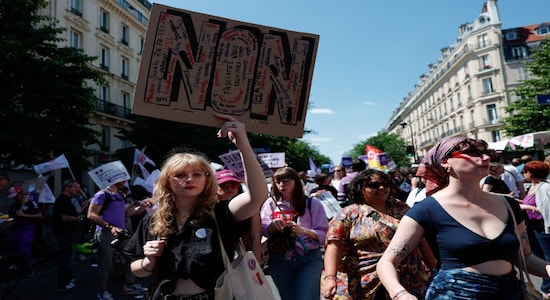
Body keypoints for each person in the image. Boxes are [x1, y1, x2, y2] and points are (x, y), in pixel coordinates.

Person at [377, 136, 550, 299]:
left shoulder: (508, 206)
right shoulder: (426, 209)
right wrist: (400, 294)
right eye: (473, 154)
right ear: (445, 162)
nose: (485, 158)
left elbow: (525, 257)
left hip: (511, 294)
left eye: (486, 154)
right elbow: (387, 262)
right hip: (453, 294)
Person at [123, 114, 268, 300]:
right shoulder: (153, 219)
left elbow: (257, 196)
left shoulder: (219, 214)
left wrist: (243, 144)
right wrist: (149, 260)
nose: (190, 179)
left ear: (207, 181)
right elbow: (137, 270)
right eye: (181, 175)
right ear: (167, 181)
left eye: (197, 174)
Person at [321, 169, 433, 300]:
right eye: (374, 185)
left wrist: (433, 268)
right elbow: (334, 246)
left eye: (385, 184)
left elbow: (420, 240)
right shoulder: (348, 214)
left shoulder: (402, 209)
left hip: (407, 279)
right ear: (360, 188)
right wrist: (330, 278)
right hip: (363, 283)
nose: (382, 188)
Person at [260, 166, 329, 300]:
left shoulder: (312, 204)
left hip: (308, 258)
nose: (281, 185)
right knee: (287, 297)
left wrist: (302, 230)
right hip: (279, 256)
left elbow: (323, 234)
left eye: (285, 181)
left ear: (296, 181)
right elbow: (262, 228)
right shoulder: (271, 203)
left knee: (307, 297)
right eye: (277, 181)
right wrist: (272, 226)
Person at [88, 180, 147, 300]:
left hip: (121, 233)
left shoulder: (120, 195)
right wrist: (110, 227)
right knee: (106, 265)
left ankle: (129, 285)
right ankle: (102, 292)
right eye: (122, 179)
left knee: (132, 257)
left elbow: (125, 214)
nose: (124, 181)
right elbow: (91, 214)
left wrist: (142, 207)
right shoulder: (102, 194)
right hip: (106, 234)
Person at [215, 168, 263, 264]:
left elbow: (255, 236)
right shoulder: (205, 207)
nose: (229, 188)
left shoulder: (250, 207)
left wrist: (256, 263)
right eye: (223, 184)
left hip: (236, 259)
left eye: (233, 184)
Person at [521, 161, 550, 295]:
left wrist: (527, 207)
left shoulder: (544, 187)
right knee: (538, 257)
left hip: (542, 228)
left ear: (530, 173)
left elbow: (546, 210)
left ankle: (546, 288)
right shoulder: (533, 187)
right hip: (533, 228)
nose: (523, 174)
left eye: (525, 171)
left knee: (546, 258)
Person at [52, 180, 82, 292]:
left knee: (69, 258)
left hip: (69, 234)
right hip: (66, 234)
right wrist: (79, 219)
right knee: (66, 259)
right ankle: (64, 283)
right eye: (76, 187)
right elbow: (65, 217)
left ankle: (68, 279)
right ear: (67, 188)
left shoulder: (67, 200)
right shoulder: (63, 200)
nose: (78, 190)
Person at [8, 186, 43, 278]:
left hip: (27, 228)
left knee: (25, 248)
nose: (14, 198)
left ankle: (29, 267)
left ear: (21, 194)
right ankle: (19, 265)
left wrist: (25, 215)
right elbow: (11, 218)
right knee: (15, 246)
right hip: (16, 228)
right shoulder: (14, 206)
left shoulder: (31, 204)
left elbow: (39, 216)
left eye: (16, 196)